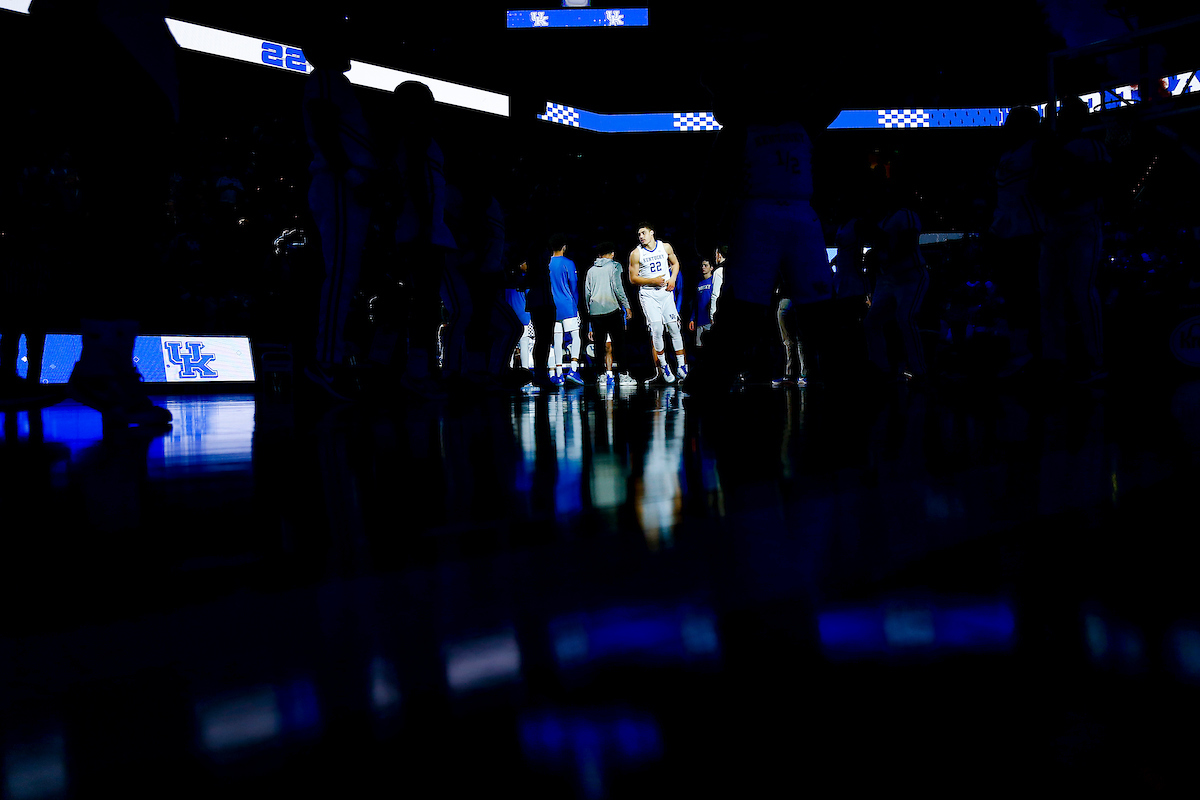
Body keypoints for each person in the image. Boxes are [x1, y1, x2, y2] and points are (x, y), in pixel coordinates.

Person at [30, 0, 178, 427]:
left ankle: (108, 366)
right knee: (119, 227)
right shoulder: (101, 27)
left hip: (145, 101)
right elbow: (47, 9)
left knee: (133, 235)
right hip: (117, 92)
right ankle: (101, 366)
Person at [689, 48, 839, 395]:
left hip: (760, 217)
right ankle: (843, 370)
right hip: (798, 215)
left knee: (743, 303)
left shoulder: (739, 130)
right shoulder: (801, 122)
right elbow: (832, 97)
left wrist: (705, 231)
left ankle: (714, 374)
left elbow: (712, 189)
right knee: (818, 304)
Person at [300, 19, 379, 402]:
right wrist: (351, 174)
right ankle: (325, 361)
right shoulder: (328, 78)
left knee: (344, 275)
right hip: (338, 182)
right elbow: (323, 124)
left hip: (340, 182)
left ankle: (327, 358)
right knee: (341, 275)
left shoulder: (332, 80)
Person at [1034, 96, 1110, 384]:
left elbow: (1102, 182)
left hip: (1081, 224)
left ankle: (1096, 360)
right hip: (1053, 227)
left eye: (1069, 114)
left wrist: (1066, 194)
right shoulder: (1047, 148)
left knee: (1082, 291)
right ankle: (1056, 360)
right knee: (1049, 295)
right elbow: (1037, 186)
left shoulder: (1090, 146)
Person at [389, 80, 454, 400]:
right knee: (425, 304)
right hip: (421, 230)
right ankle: (417, 372)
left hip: (423, 228)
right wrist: (428, 224)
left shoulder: (415, 135)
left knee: (427, 304)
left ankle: (423, 368)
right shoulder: (416, 134)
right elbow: (416, 179)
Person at [989, 106, 1046, 377]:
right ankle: (1020, 350)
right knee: (1013, 294)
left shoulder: (1038, 148)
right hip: (1006, 231)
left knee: (1027, 293)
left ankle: (1033, 350)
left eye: (1012, 121)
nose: (1007, 125)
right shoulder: (1007, 153)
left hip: (1029, 230)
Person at [862, 172, 930, 386]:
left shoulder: (906, 214)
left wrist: (882, 255)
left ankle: (919, 370)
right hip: (890, 278)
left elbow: (908, 243)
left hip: (911, 275)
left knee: (904, 318)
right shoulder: (885, 220)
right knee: (873, 322)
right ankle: (881, 367)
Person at [629, 223, 687, 384]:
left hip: (665, 293)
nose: (641, 236)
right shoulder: (636, 253)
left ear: (652, 232)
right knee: (657, 329)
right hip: (648, 295)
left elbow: (675, 263)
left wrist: (673, 279)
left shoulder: (665, 247)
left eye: (643, 233)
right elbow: (633, 278)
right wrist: (652, 281)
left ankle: (682, 366)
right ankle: (663, 365)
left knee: (674, 327)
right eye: (639, 234)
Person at [584, 243, 634, 385]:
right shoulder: (615, 266)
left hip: (595, 312)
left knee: (599, 346)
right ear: (612, 253)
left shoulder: (591, 270)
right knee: (619, 344)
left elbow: (587, 293)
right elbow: (618, 287)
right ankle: (623, 375)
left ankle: (601, 376)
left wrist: (589, 311)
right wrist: (627, 306)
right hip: (612, 309)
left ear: (599, 255)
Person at [547, 235, 583, 386]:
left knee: (556, 340)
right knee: (575, 336)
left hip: (552, 306)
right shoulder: (568, 263)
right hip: (568, 305)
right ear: (564, 247)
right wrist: (576, 304)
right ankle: (573, 369)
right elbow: (573, 286)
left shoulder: (547, 263)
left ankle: (559, 374)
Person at [689, 259, 715, 347]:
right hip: (700, 321)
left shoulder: (713, 281)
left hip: (709, 321)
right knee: (699, 346)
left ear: (711, 268)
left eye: (706, 265)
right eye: (702, 265)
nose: (703, 267)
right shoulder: (699, 283)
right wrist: (692, 319)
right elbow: (696, 302)